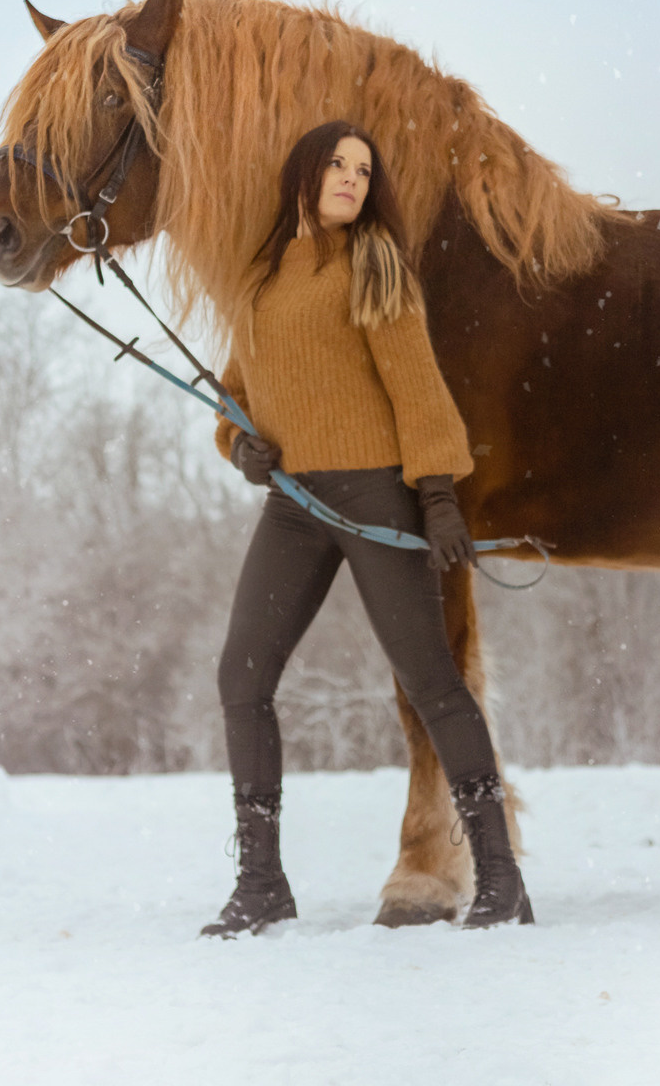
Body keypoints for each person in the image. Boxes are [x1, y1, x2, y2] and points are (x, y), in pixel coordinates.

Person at [200, 119, 533, 936]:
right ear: (304, 174)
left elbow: (419, 391)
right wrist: (239, 443)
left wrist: (439, 495)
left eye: (363, 169)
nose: (352, 178)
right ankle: (261, 883)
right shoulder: (258, 281)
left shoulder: (374, 267)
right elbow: (235, 393)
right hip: (292, 506)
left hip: (377, 498)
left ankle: (499, 877)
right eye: (338, 165)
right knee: (242, 678)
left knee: (433, 684)